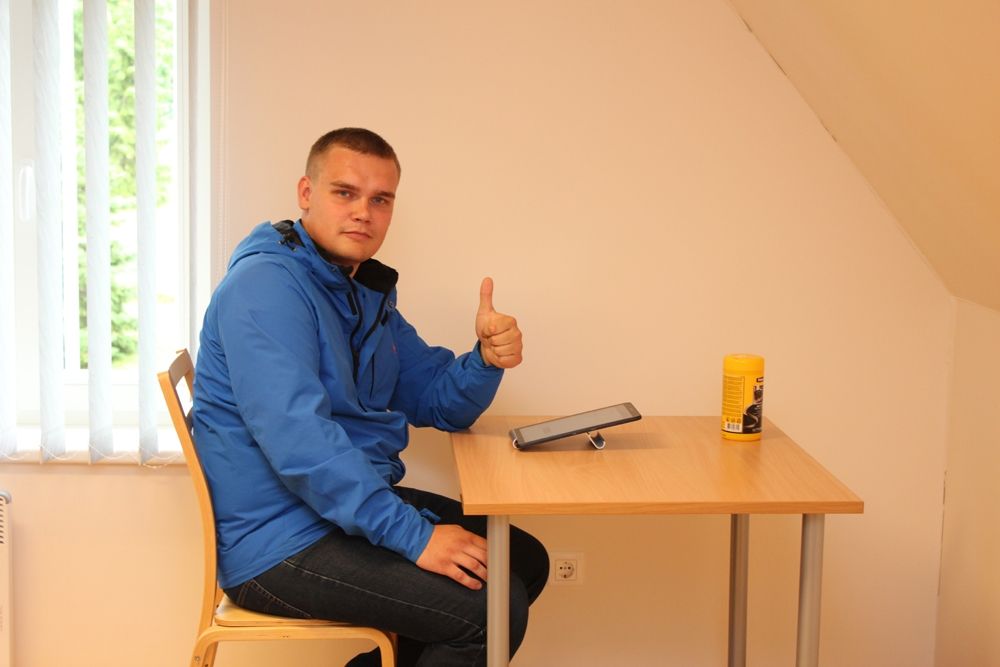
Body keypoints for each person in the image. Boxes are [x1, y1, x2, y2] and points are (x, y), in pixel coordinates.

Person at [192, 128, 548, 667]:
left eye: (380, 200)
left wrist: (485, 359)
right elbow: (302, 445)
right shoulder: (265, 288)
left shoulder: (355, 289)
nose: (364, 212)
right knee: (489, 611)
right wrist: (415, 537)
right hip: (278, 540)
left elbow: (438, 401)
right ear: (306, 193)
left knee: (523, 560)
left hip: (330, 511)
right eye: (345, 193)